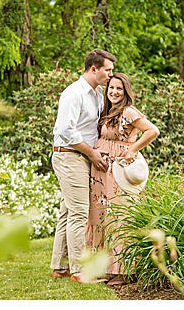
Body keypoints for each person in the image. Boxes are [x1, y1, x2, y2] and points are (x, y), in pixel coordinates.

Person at [87, 72, 158, 287]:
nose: (114, 92)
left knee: (119, 215)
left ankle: (123, 270)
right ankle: (101, 267)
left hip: (117, 170)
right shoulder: (108, 111)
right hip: (101, 171)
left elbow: (152, 130)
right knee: (99, 215)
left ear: (125, 91)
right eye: (111, 88)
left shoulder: (128, 111)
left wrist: (133, 149)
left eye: (119, 88)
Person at [50, 48, 115, 283]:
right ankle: (79, 271)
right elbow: (65, 131)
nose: (111, 74)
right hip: (69, 156)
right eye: (108, 70)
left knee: (67, 211)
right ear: (94, 69)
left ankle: (60, 266)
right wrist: (93, 154)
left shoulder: (97, 94)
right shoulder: (74, 93)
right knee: (79, 212)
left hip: (81, 157)